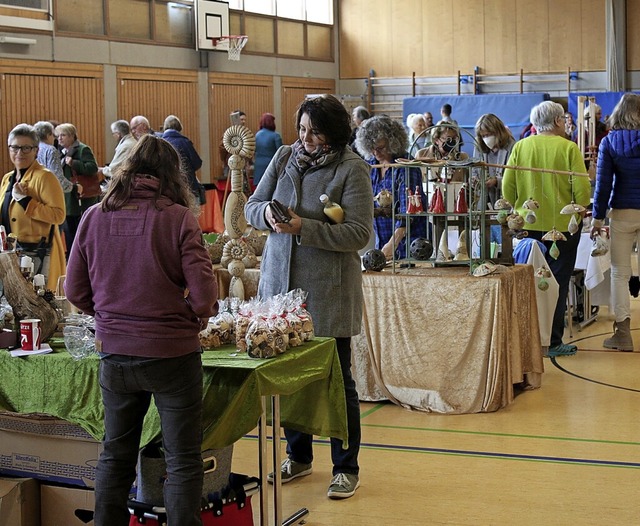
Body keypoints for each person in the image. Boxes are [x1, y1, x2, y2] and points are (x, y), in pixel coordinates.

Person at [64, 134, 218, 526]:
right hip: (173, 355)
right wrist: (186, 313)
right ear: (172, 176)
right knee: (182, 459)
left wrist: (109, 316)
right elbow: (204, 298)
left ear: (126, 170)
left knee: (114, 455)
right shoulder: (179, 218)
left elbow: (74, 290)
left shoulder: (93, 216)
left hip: (114, 354)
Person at [245, 94, 372, 500]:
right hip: (280, 295)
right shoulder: (284, 157)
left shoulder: (351, 169)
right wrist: (265, 215)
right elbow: (251, 206)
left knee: (338, 383)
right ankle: (297, 456)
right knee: (289, 380)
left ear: (333, 133)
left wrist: (304, 228)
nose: (306, 138)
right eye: (302, 129)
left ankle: (345, 467)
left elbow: (359, 234)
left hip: (329, 294)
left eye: (314, 132)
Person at [502, 101, 591, 357]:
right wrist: (580, 207)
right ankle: (551, 342)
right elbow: (582, 191)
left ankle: (524, 339)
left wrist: (518, 211)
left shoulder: (520, 147)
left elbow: (508, 189)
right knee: (557, 283)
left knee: (526, 282)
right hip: (562, 228)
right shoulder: (569, 148)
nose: (565, 123)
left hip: (526, 227)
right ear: (556, 122)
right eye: (563, 119)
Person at [590, 93, 640, 351]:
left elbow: (603, 185)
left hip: (621, 213)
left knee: (620, 273)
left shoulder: (609, 142)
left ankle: (623, 334)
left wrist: (597, 218)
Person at [1, 124, 66, 289]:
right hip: (11, 254)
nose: (19, 153)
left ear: (36, 150)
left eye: (26, 148)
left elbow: (58, 215)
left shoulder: (45, 177)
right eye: (15, 147)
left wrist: (25, 200)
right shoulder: (7, 178)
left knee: (38, 306)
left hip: (37, 253)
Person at [356, 114, 427, 260]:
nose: (376, 153)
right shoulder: (373, 166)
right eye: (372, 149)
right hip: (383, 242)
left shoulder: (406, 166)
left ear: (393, 142)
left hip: (410, 245)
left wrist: (392, 244)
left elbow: (409, 212)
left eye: (380, 148)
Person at [55, 122, 100, 258]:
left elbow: (92, 168)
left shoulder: (82, 149)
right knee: (69, 229)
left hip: (81, 197)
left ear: (72, 136)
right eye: (58, 136)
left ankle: (82, 256)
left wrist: (74, 163)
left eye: (63, 135)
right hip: (68, 197)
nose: (60, 139)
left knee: (80, 229)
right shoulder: (60, 152)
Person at [472, 113, 516, 209]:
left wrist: (497, 181)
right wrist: (474, 179)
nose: (485, 139)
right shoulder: (479, 145)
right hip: (484, 200)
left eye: (488, 135)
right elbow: (474, 169)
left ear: (498, 131)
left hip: (505, 200)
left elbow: (514, 177)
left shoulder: (512, 146)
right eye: (483, 136)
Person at [162, 115, 206, 205]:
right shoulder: (185, 142)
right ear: (180, 127)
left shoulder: (160, 143)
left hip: (167, 189)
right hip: (188, 187)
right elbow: (197, 163)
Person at [34, 120, 72, 194]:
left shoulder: (33, 148)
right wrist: (73, 187)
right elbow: (57, 178)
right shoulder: (51, 150)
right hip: (49, 192)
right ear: (48, 135)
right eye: (53, 136)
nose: (55, 139)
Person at [253, 112, 282, 187]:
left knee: (259, 187)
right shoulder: (276, 135)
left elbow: (254, 150)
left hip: (258, 164)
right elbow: (280, 152)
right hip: (271, 163)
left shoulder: (257, 135)